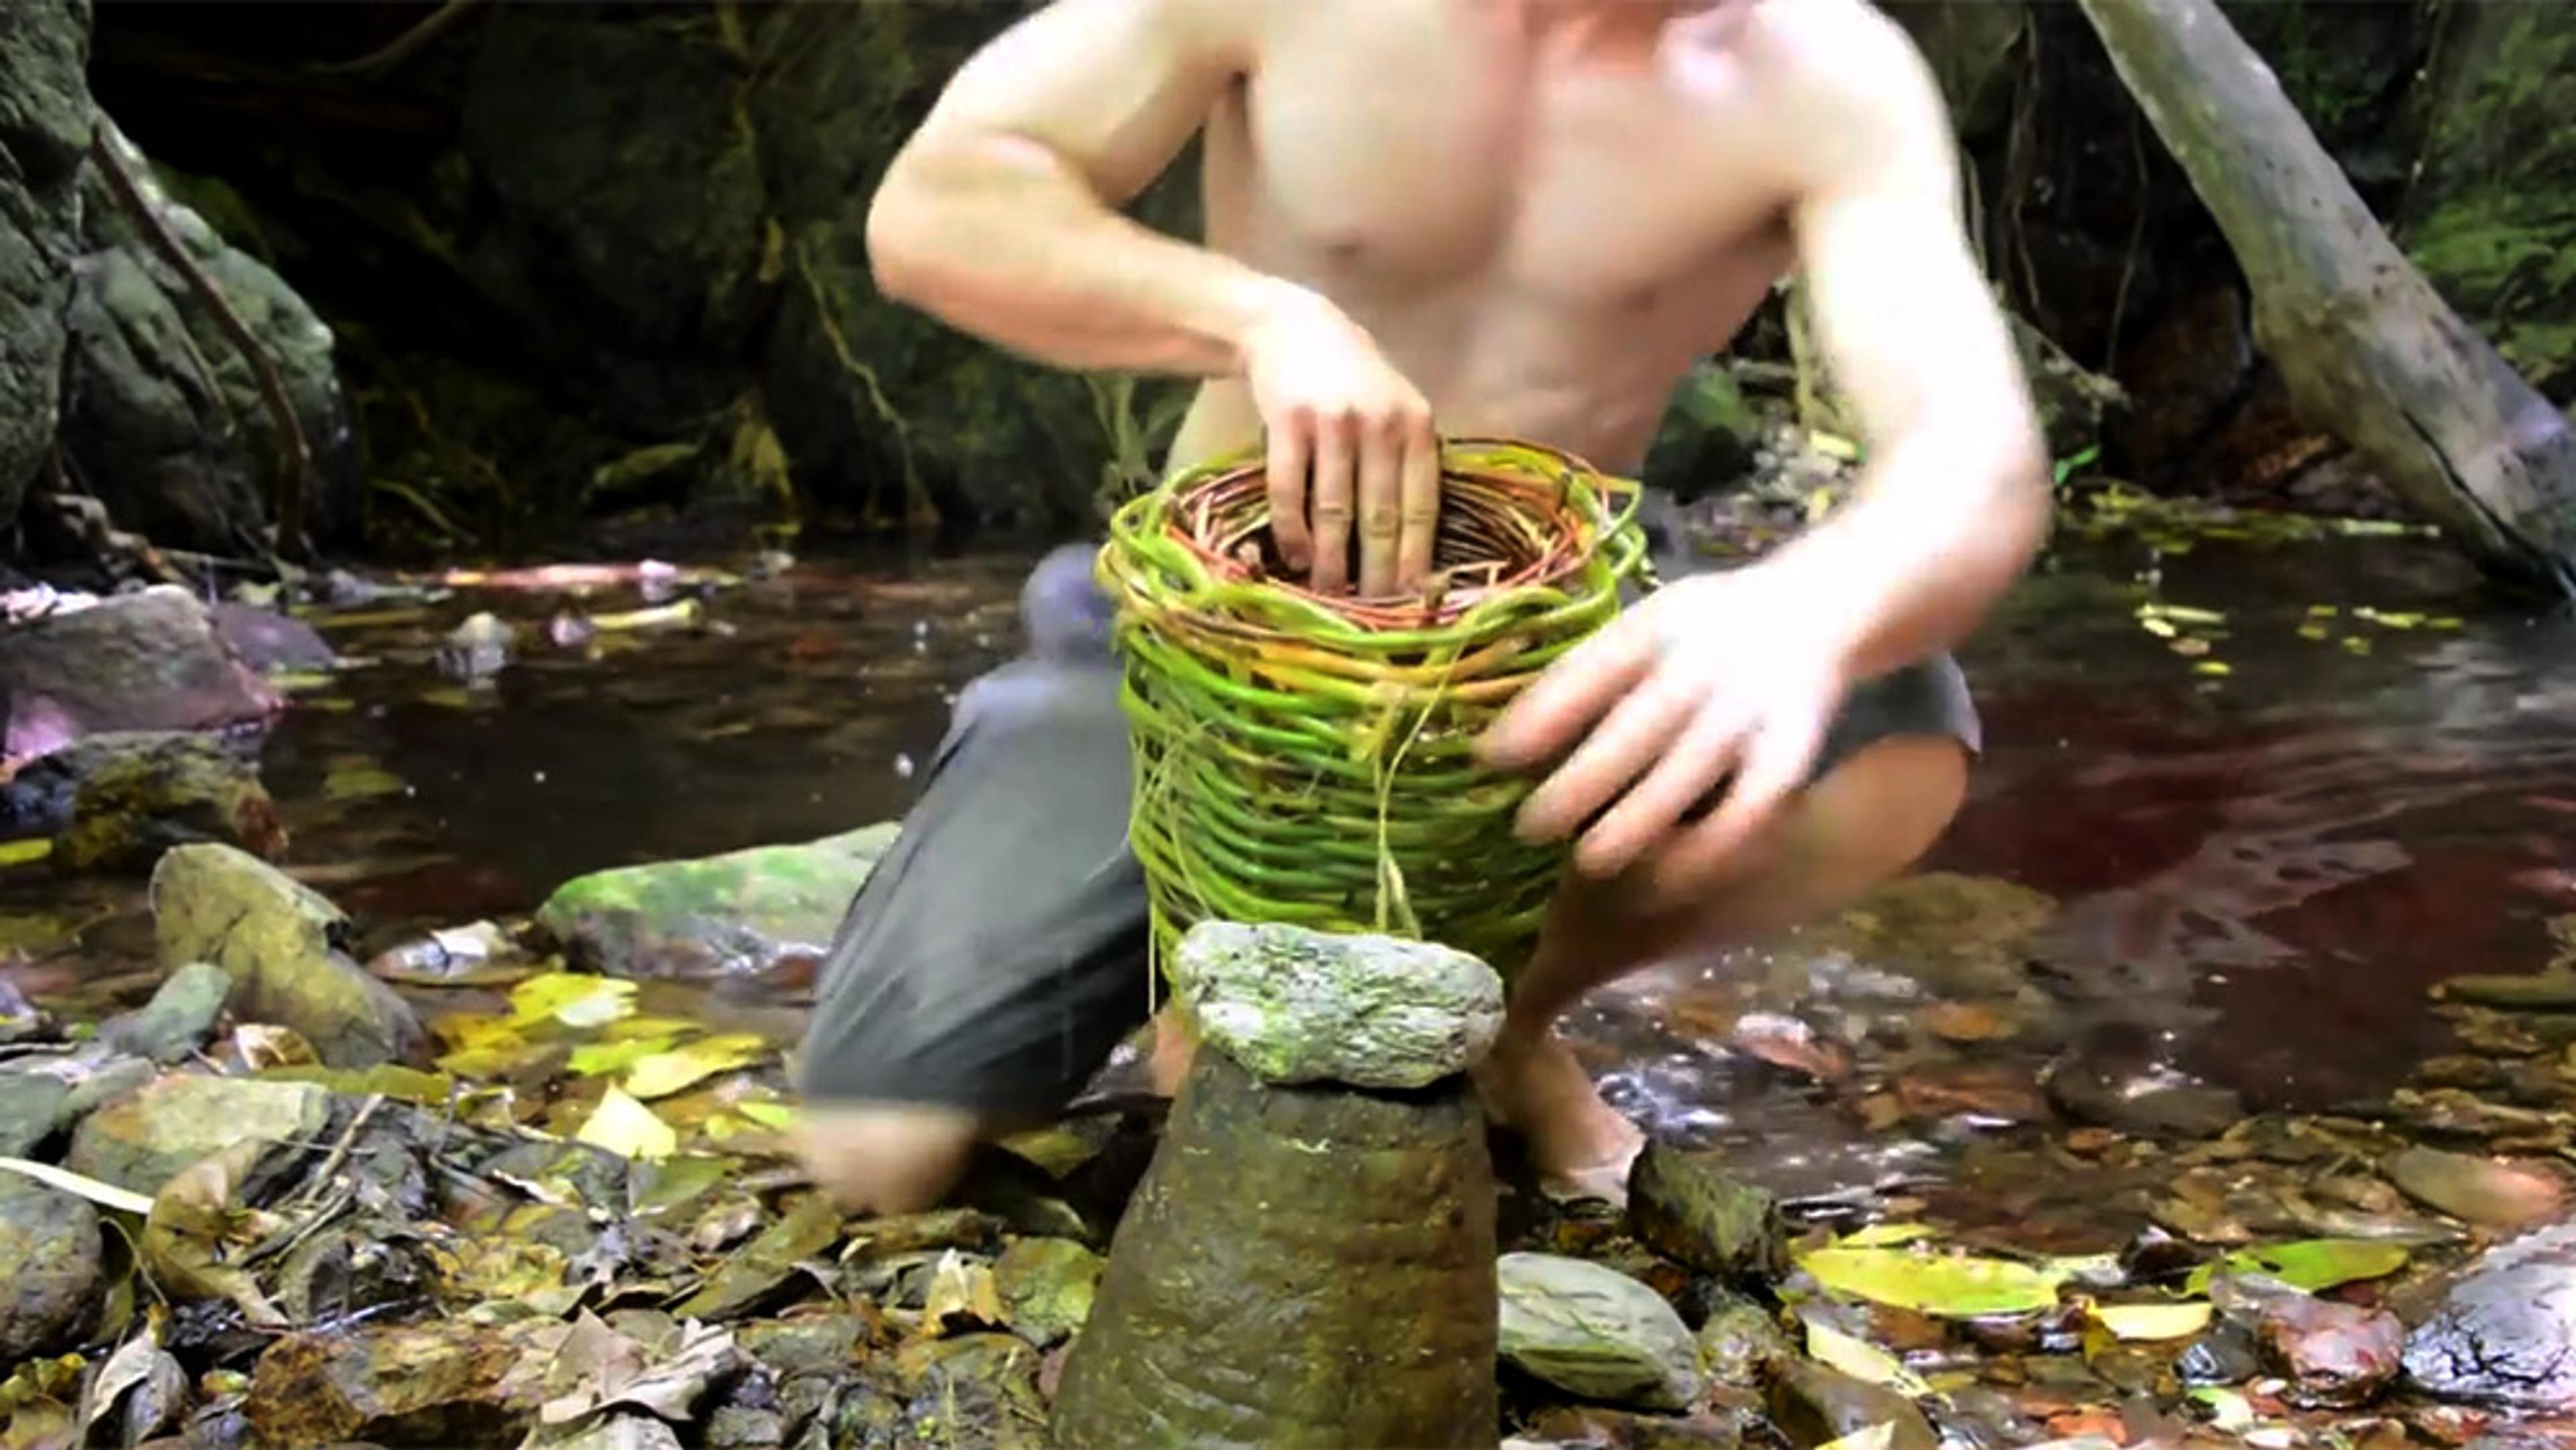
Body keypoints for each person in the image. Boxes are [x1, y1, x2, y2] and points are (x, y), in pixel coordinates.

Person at [794, 0, 2050, 1209]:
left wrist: (1808, 614)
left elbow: (1977, 459)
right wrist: (1261, 319)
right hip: (1219, 655)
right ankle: (1216, 946)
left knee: (1893, 729)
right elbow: (938, 207)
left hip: (1537, 650)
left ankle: (1486, 1018)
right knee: (876, 1152)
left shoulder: (1824, 71)